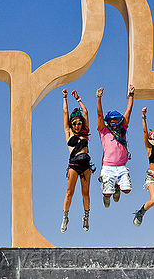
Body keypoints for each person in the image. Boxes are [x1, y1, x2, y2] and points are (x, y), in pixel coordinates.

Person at [61, 89, 94, 233]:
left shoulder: (85, 132)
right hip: (74, 164)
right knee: (69, 192)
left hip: (85, 164)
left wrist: (78, 98)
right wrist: (65, 98)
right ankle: (65, 217)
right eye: (74, 123)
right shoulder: (68, 132)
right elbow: (65, 113)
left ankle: (86, 217)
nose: (77, 126)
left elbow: (85, 112)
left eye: (79, 123)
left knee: (85, 193)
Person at [96, 85, 135, 208]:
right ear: (109, 122)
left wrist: (131, 96)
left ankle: (117, 187)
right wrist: (98, 98)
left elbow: (128, 112)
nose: (115, 124)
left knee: (127, 190)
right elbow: (99, 115)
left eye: (117, 122)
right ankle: (107, 192)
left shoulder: (122, 129)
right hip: (108, 166)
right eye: (112, 122)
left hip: (122, 166)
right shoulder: (104, 131)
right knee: (107, 193)